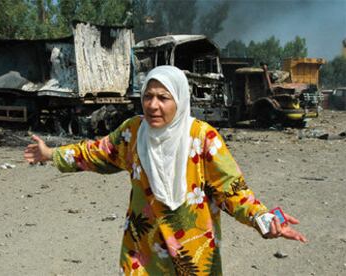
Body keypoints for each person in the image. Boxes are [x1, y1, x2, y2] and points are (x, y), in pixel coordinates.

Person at [24, 65, 307, 275]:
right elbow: (99, 152)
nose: (153, 105)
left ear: (180, 100)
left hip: (193, 254)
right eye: (148, 96)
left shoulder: (202, 138)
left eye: (163, 97)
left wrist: (264, 219)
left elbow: (232, 190)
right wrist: (51, 154)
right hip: (143, 251)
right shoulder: (134, 132)